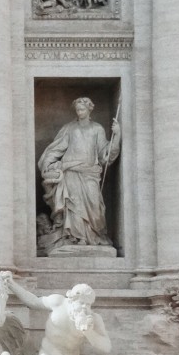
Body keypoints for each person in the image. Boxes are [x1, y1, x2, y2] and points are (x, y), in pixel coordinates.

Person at [38, 96, 120, 248]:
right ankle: (76, 238)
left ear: (89, 110)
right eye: (77, 110)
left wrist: (117, 136)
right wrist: (48, 163)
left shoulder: (97, 129)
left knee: (95, 207)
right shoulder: (69, 128)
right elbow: (57, 148)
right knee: (73, 205)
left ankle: (93, 236)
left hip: (90, 173)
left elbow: (105, 154)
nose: (79, 112)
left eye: (82, 109)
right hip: (71, 171)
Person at [10, 281, 112, 355]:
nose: (85, 308)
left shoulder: (93, 319)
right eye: (81, 303)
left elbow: (106, 347)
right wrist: (11, 284)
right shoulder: (58, 302)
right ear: (72, 300)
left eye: (88, 304)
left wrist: (89, 332)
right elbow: (33, 301)